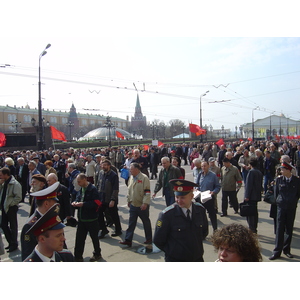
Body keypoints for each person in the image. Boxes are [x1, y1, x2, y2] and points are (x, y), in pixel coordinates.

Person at [153, 179, 208, 262]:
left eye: (182, 197)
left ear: (191, 196)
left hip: (196, 257)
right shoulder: (167, 215)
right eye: (177, 197)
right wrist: (173, 251)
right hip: (175, 259)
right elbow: (158, 240)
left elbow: (204, 232)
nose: (179, 200)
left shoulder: (200, 210)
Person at [21, 182, 60, 261]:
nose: (57, 205)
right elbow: (28, 255)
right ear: (46, 204)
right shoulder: (30, 225)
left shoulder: (52, 218)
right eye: (54, 203)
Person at [269, 162, 300, 260]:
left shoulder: (296, 181)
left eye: (283, 169)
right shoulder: (279, 180)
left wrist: (293, 201)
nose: (281, 171)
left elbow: (298, 194)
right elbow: (276, 193)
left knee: (289, 229)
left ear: (288, 170)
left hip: (291, 207)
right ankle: (277, 251)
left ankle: (286, 250)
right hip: (281, 207)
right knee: (279, 229)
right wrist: (279, 201)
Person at [119, 162, 152, 247]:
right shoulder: (131, 177)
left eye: (131, 169)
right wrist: (129, 200)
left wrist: (145, 203)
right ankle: (128, 240)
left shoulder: (144, 178)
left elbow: (147, 192)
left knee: (146, 222)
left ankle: (149, 238)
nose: (130, 170)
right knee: (131, 223)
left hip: (142, 205)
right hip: (133, 204)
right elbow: (129, 190)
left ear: (137, 169)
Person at [72, 173, 102, 262]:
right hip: (81, 219)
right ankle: (78, 256)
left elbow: (97, 203)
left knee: (94, 238)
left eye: (79, 181)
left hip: (91, 219)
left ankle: (97, 253)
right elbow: (78, 198)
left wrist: (84, 204)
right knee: (79, 239)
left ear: (85, 180)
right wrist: (75, 203)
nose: (78, 183)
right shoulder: (81, 189)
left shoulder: (92, 189)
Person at [96, 160, 122, 239]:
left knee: (114, 215)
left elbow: (115, 189)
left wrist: (113, 200)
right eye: (102, 165)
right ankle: (104, 230)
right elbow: (98, 184)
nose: (103, 167)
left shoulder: (113, 175)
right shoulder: (100, 173)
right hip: (101, 198)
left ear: (109, 166)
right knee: (99, 214)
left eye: (105, 165)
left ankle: (118, 230)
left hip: (110, 199)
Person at [0, 167, 22, 253]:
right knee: (3, 225)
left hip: (11, 207)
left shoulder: (14, 184)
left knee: (13, 226)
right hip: (4, 207)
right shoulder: (3, 183)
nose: (0, 176)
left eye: (1, 175)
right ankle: (10, 242)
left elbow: (18, 197)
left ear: (6, 175)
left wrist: (10, 203)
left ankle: (14, 243)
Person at [196, 161, 221, 232]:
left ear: (208, 166)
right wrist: (196, 189)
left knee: (212, 214)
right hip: (201, 198)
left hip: (209, 198)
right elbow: (197, 184)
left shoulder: (213, 175)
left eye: (205, 166)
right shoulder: (200, 175)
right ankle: (204, 232)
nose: (203, 168)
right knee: (201, 216)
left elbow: (218, 186)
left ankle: (215, 230)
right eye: (202, 166)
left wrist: (213, 192)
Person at [243, 157, 263, 233]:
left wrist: (247, 196)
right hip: (256, 195)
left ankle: (252, 228)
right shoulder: (259, 172)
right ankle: (254, 227)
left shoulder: (251, 172)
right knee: (255, 212)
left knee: (250, 213)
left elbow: (249, 185)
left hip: (251, 195)